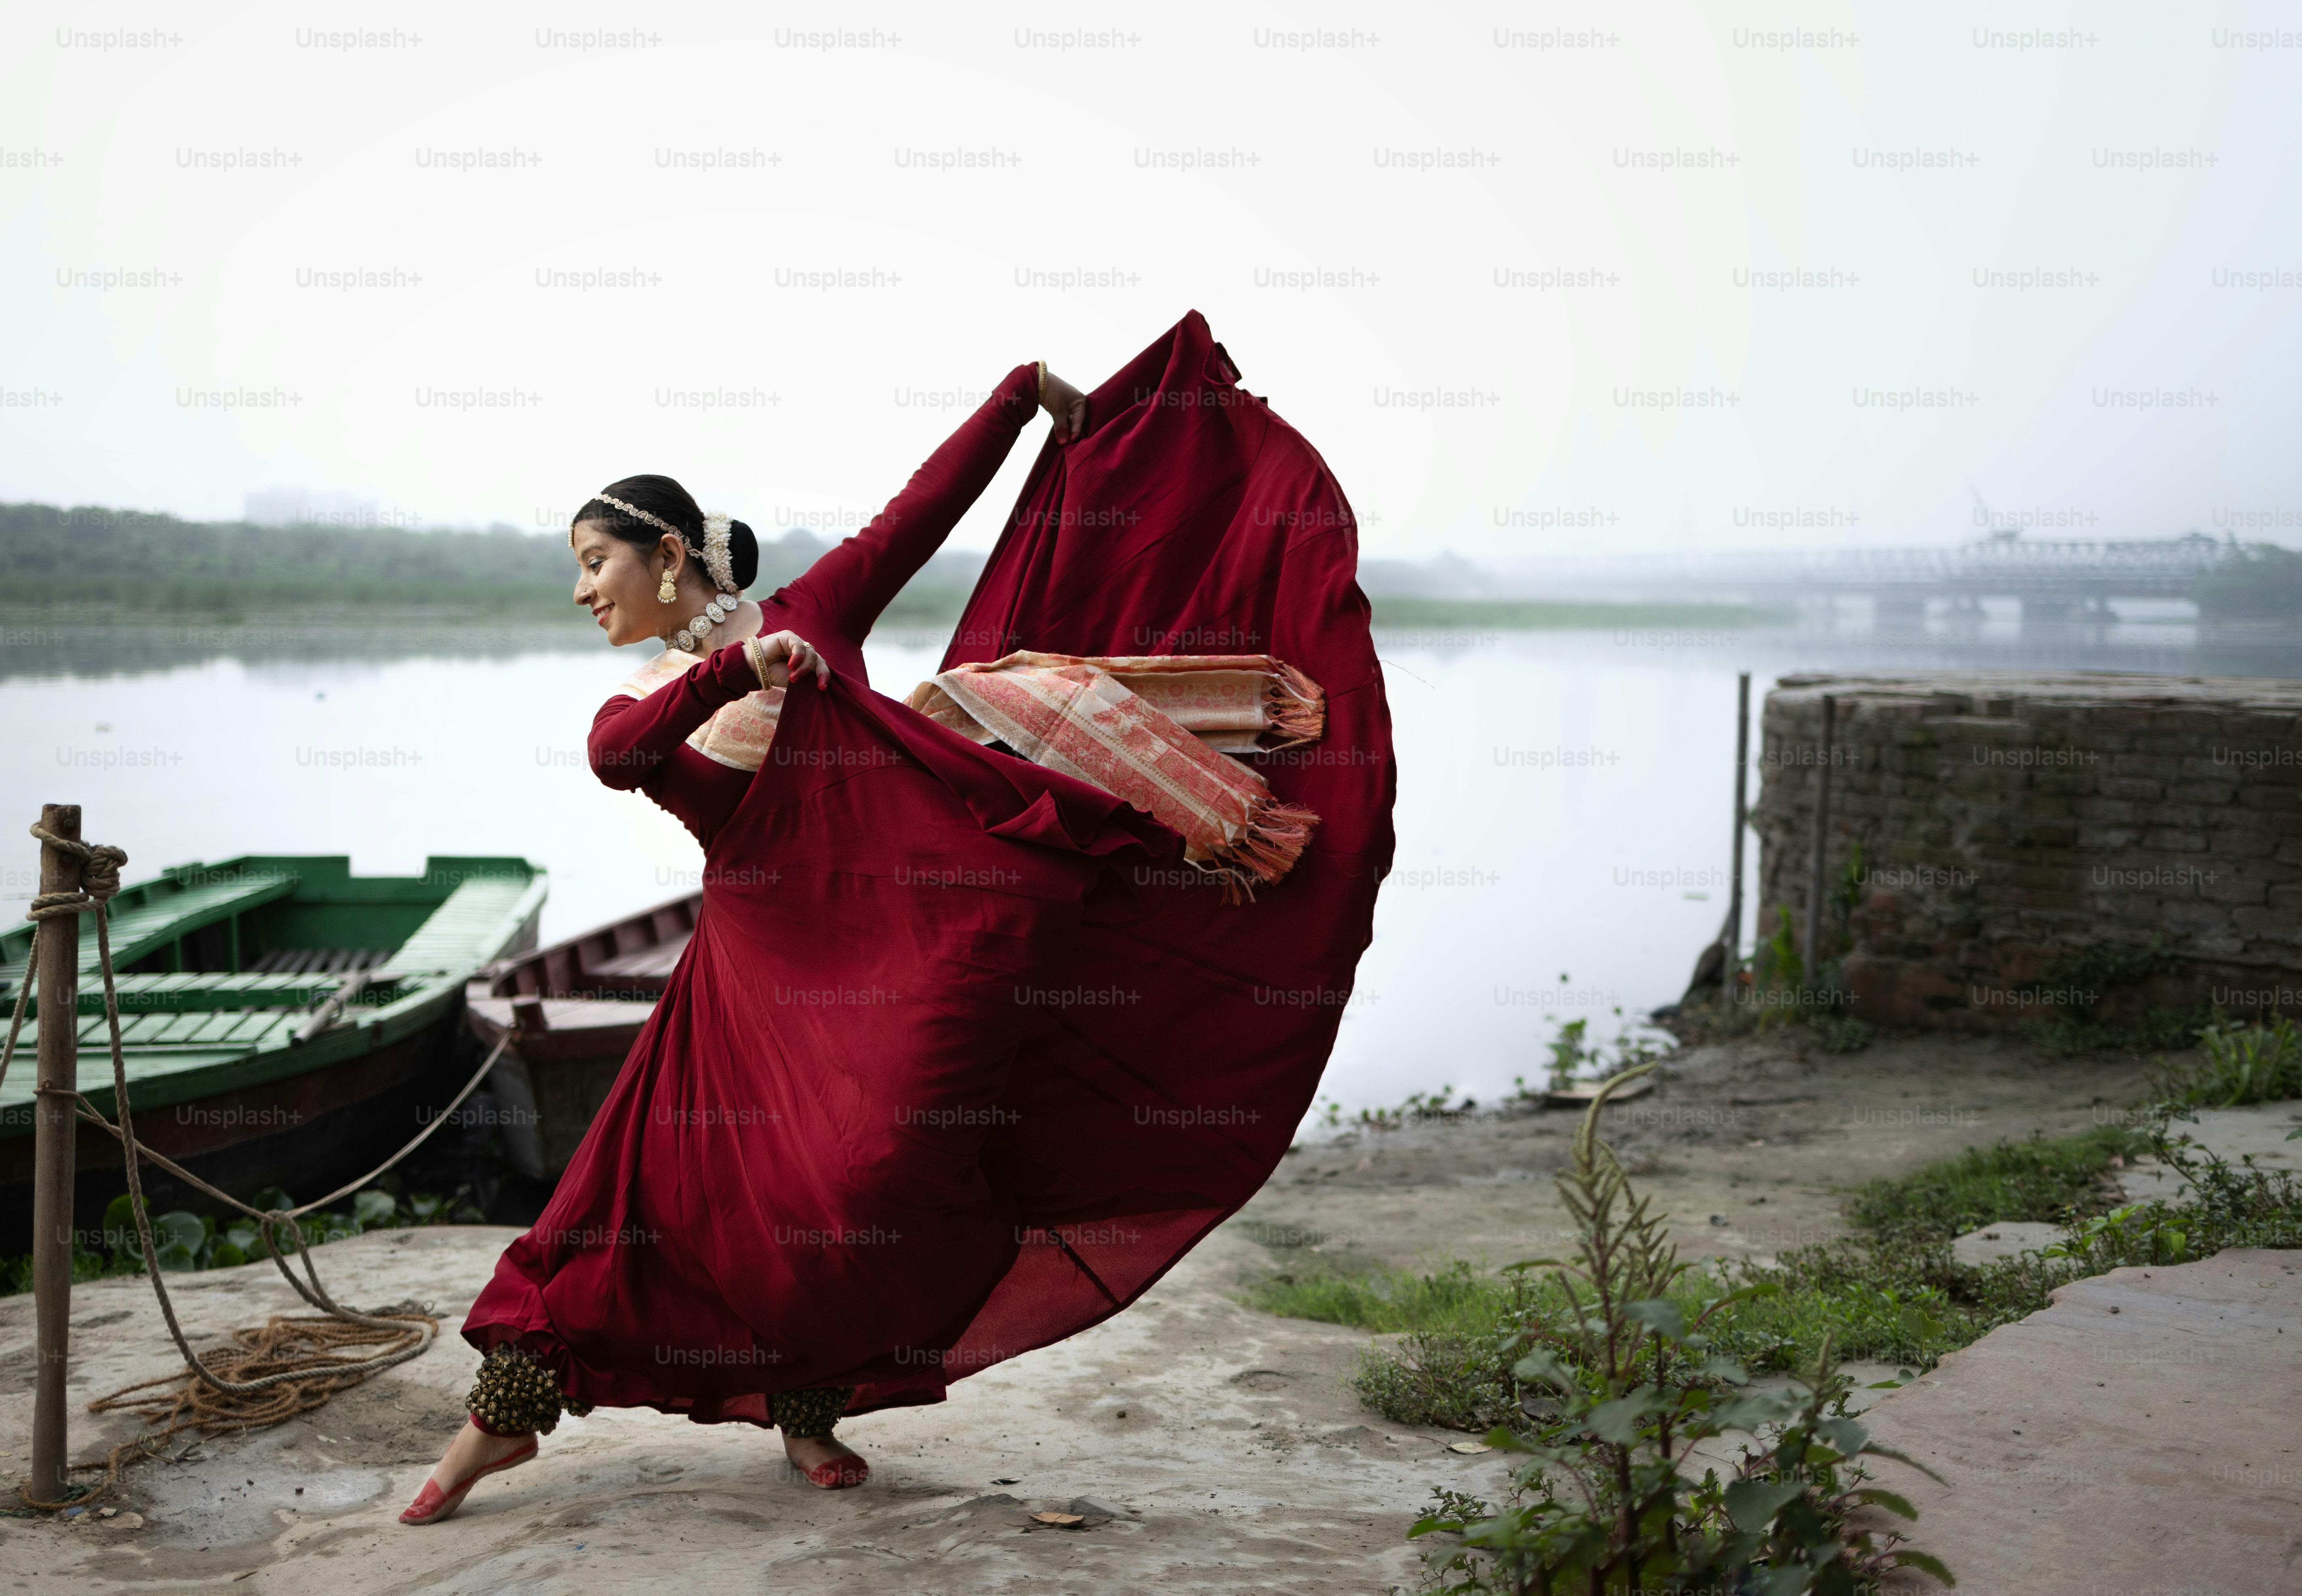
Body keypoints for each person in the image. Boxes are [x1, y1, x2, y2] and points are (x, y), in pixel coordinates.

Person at [401, 314, 1393, 1526]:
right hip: (747, 994)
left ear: (665, 556)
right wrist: (738, 672)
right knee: (634, 1205)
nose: (580, 591)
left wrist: (1016, 398)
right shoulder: (655, 697)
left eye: (592, 562)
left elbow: (918, 512)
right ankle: (493, 1431)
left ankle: (806, 1398)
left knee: (873, 1182)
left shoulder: (818, 608)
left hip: (898, 962)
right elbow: (621, 757)